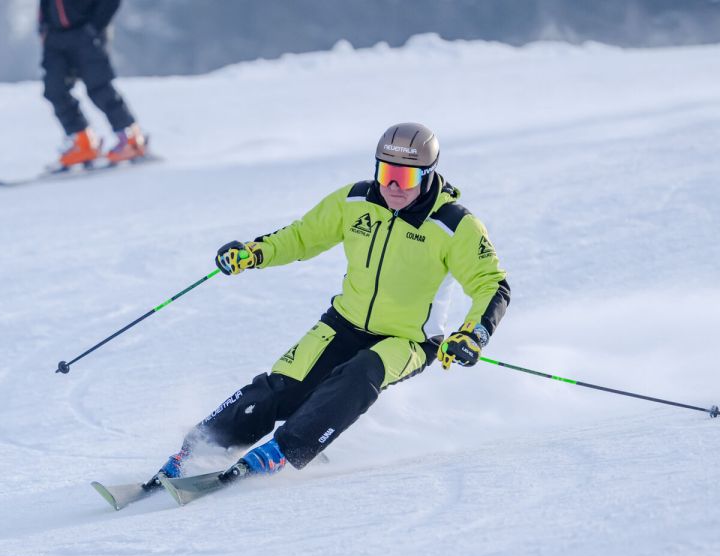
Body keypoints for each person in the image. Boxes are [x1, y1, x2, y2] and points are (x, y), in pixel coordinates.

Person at [148, 123, 511, 487]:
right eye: (386, 173)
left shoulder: (455, 226)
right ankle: (197, 451)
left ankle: (282, 454)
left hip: (409, 340)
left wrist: (472, 334)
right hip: (344, 322)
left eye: (405, 177)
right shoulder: (355, 202)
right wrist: (254, 253)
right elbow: (302, 236)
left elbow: (492, 285)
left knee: (360, 373)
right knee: (281, 386)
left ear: (428, 176)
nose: (393, 187)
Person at [38, 0, 147, 168]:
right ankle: (82, 141)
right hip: (55, 36)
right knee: (54, 89)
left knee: (99, 87)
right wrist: (43, 27)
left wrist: (94, 27)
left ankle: (130, 139)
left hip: (86, 33)